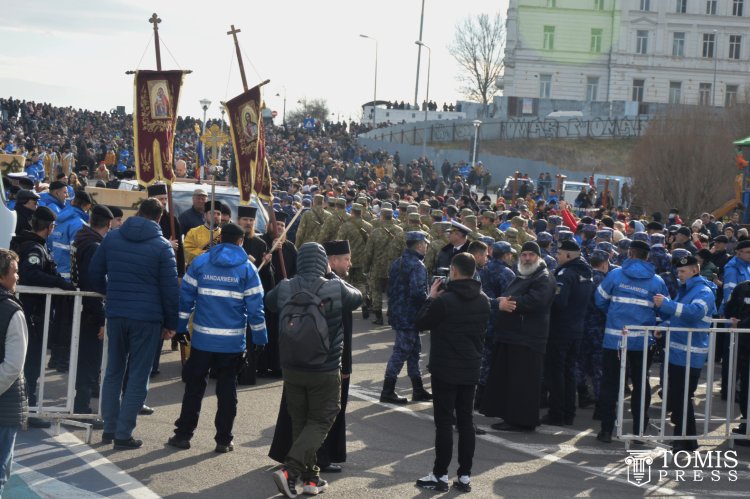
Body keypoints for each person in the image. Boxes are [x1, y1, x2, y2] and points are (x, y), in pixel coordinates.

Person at [265, 242, 362, 498]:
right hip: (325, 366)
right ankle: (290, 470)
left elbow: (269, 302)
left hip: (292, 366)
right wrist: (330, 275)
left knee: (301, 420)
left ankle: (311, 478)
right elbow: (358, 297)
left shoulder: (286, 286)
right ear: (325, 262)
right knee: (322, 419)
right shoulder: (335, 287)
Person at [167, 223, 267, 453]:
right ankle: (224, 439)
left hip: (202, 340)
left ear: (220, 239)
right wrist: (260, 339)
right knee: (227, 390)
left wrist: (181, 327)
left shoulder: (201, 263)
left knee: (194, 387)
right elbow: (256, 309)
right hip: (231, 343)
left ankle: (183, 435)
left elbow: (185, 299)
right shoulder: (248, 270)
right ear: (241, 241)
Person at [89, 198, 179, 450]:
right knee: (138, 375)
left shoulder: (113, 237)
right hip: (147, 318)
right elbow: (170, 289)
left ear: (138, 212)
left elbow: (94, 274)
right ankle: (123, 433)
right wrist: (172, 323)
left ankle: (109, 427)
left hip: (117, 313)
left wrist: (111, 292)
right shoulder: (162, 246)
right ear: (160, 218)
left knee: (113, 372)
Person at [414, 252, 490, 493]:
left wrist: (430, 298)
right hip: (470, 366)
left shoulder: (444, 301)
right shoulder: (484, 300)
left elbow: (420, 323)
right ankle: (465, 475)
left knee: (444, 423)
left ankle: (440, 474)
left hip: (445, 368)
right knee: (466, 421)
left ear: (454, 272)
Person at [594, 240, 669, 443]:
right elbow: (664, 310)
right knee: (640, 384)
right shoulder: (657, 281)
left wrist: (613, 315)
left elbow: (599, 299)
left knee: (610, 384)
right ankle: (638, 432)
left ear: (630, 253)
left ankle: (606, 431)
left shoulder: (615, 275)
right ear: (647, 257)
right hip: (642, 343)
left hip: (614, 340)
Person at [480, 241, 556, 432]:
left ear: (538, 257)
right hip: (513, 336)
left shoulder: (544, 277)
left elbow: (536, 301)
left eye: (531, 255)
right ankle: (510, 417)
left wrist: (507, 301)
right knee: (510, 379)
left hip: (528, 339)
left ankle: (521, 421)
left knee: (523, 382)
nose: (527, 258)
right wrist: (501, 301)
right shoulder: (523, 275)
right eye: (524, 254)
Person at [10, 206, 74, 429]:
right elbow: (32, 273)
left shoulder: (30, 244)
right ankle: (28, 410)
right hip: (31, 314)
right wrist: (58, 282)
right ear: (49, 227)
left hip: (30, 313)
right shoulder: (34, 248)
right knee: (31, 364)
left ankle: (26, 408)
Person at [654, 254, 716, 451]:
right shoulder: (686, 290)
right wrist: (664, 324)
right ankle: (688, 440)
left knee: (681, 398)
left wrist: (666, 304)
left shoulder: (704, 291)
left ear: (694, 271)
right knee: (679, 398)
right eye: (678, 271)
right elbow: (679, 317)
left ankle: (683, 440)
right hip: (678, 353)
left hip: (691, 355)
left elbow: (694, 313)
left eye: (682, 271)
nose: (679, 275)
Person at [542, 239, 594, 426]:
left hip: (560, 329)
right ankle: (568, 412)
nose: (557, 256)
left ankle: (557, 413)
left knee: (556, 372)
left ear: (569, 255)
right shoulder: (587, 273)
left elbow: (559, 302)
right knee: (569, 372)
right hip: (576, 329)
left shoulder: (565, 274)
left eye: (559, 254)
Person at [70, 205, 113, 423]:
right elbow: (93, 284)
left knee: (88, 360)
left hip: (84, 308)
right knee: (89, 361)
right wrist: (101, 318)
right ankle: (81, 408)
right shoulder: (94, 245)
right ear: (108, 224)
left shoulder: (82, 239)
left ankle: (83, 401)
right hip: (90, 310)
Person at [380, 231, 432, 404]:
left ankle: (417, 390)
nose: (426, 246)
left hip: (398, 312)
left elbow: (390, 288)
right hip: (410, 316)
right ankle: (387, 391)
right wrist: (431, 298)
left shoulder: (398, 262)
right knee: (401, 352)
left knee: (414, 351)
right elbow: (418, 293)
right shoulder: (417, 265)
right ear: (418, 245)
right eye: (425, 243)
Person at [0, 249, 27, 495]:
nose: (18, 277)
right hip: (4, 405)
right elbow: (12, 366)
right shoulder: (12, 311)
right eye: (15, 271)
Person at [363, 207, 404, 325]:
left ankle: (378, 317)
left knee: (376, 291)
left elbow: (368, 252)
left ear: (381, 216)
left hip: (378, 266)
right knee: (392, 292)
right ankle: (391, 314)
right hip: (395, 267)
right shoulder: (400, 231)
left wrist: (366, 268)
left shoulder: (375, 232)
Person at [335, 203, 372, 318]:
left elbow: (339, 241)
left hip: (348, 259)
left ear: (352, 212)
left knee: (346, 282)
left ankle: (347, 305)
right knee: (361, 282)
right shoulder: (368, 226)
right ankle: (364, 303)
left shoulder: (346, 226)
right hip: (362, 259)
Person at [183, 200, 223, 267]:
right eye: (212, 213)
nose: (216, 216)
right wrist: (207, 253)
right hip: (198, 269)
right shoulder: (193, 232)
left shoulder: (224, 233)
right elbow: (188, 252)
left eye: (218, 214)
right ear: (205, 215)